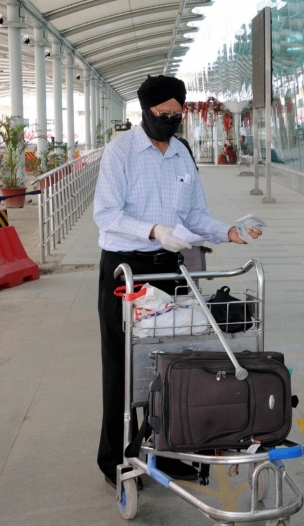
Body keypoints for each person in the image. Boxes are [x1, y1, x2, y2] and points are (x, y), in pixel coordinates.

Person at [93, 74, 262, 490]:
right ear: (146, 110)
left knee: (170, 362)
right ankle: (117, 458)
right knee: (124, 364)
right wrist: (152, 230)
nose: (170, 120)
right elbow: (106, 214)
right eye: (162, 114)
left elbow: (196, 216)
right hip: (126, 270)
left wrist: (230, 232)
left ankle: (166, 451)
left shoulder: (183, 153)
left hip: (169, 269)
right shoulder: (121, 152)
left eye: (176, 114)